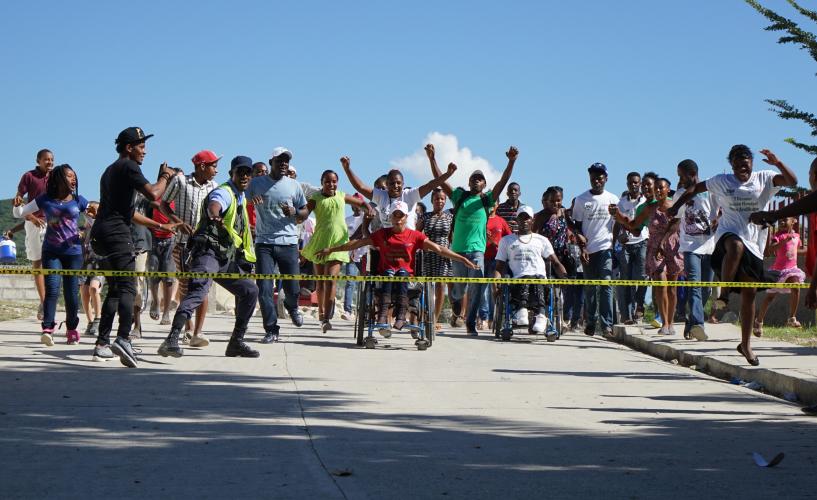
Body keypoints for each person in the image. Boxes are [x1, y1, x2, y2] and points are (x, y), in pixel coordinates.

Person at [672, 145, 797, 366]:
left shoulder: (764, 178)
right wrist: (676, 207)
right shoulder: (722, 181)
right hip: (726, 239)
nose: (742, 166)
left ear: (751, 163)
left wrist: (777, 162)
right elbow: (694, 189)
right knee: (735, 245)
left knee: (749, 296)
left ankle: (745, 345)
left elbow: (792, 182)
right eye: (737, 163)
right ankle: (724, 294)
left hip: (755, 245)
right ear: (731, 165)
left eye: (745, 161)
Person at [317, 200, 478, 334]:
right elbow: (358, 242)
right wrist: (331, 250)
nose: (398, 219)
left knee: (401, 272)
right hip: (386, 275)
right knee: (389, 272)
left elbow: (439, 249)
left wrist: (462, 259)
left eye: (401, 215)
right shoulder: (382, 234)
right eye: (395, 215)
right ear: (391, 217)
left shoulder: (415, 236)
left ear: (406, 217)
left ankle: (401, 314)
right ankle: (382, 314)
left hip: (405, 277)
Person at [158, 156, 260, 359]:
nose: (245, 176)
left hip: (224, 258)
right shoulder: (225, 191)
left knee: (250, 290)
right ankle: (172, 339)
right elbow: (215, 203)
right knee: (197, 292)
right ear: (232, 174)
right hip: (208, 253)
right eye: (241, 172)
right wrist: (215, 215)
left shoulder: (241, 197)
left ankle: (236, 343)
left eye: (248, 173)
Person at [90, 126, 175, 367]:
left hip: (103, 233)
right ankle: (124, 338)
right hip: (117, 235)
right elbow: (153, 195)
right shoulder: (129, 166)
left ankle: (102, 344)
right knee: (128, 287)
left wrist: (160, 226)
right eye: (141, 146)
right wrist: (166, 177)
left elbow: (129, 213)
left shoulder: (110, 170)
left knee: (116, 288)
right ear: (129, 148)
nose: (145, 151)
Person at [428, 144, 519, 335]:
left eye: (480, 179)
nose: (477, 181)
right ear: (469, 183)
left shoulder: (487, 200)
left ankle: (470, 322)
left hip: (477, 251)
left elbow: (503, 181)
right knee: (459, 290)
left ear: (484, 185)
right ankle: (455, 305)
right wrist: (432, 158)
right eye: (473, 179)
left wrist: (511, 161)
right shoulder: (459, 196)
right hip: (457, 251)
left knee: (477, 289)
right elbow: (441, 181)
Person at [13, 164, 88, 345]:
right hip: (51, 251)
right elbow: (20, 213)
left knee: (71, 293)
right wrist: (17, 205)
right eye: (70, 176)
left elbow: (95, 220)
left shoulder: (79, 200)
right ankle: (48, 328)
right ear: (59, 178)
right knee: (52, 289)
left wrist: (85, 230)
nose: (73, 179)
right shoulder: (45, 199)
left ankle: (71, 328)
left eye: (74, 176)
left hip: (73, 252)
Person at [301, 168, 373, 332]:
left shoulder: (341, 196)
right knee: (320, 282)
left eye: (334, 181)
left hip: (338, 243)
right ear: (322, 183)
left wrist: (369, 208)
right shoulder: (316, 198)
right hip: (319, 242)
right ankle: (321, 312)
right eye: (327, 181)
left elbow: (361, 203)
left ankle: (327, 317)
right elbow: (306, 211)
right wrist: (298, 214)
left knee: (330, 279)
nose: (331, 184)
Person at [247, 147, 307, 343]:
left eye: (286, 161)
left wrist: (295, 212)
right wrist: (250, 200)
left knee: (293, 287)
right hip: (264, 242)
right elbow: (241, 197)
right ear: (270, 162)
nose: (283, 164)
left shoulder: (294, 185)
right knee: (264, 288)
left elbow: (305, 211)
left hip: (289, 242)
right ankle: (271, 329)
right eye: (279, 161)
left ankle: (293, 306)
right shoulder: (256, 183)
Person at [161, 150, 220, 345]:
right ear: (202, 166)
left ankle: (198, 332)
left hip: (205, 245)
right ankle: (188, 328)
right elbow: (163, 204)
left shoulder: (215, 187)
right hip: (182, 243)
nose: (216, 170)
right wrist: (177, 222)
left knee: (202, 286)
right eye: (213, 165)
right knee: (186, 286)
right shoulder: (180, 182)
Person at [614, 178, 683, 336]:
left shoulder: (675, 205)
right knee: (660, 282)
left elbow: (677, 224)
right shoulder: (648, 208)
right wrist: (618, 216)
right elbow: (634, 225)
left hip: (672, 248)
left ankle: (670, 323)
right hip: (654, 248)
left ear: (668, 189)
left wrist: (664, 243)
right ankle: (664, 323)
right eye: (656, 188)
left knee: (672, 288)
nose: (658, 191)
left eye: (661, 188)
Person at [495, 206, 568, 339]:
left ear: (532, 220)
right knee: (527, 277)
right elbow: (499, 266)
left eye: (527, 218)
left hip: (540, 280)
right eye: (521, 217)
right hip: (517, 282)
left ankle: (541, 316)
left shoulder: (541, 240)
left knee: (537, 278)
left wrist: (565, 276)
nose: (524, 220)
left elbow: (556, 262)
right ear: (516, 220)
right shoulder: (506, 241)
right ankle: (522, 311)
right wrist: (496, 283)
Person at [340, 152, 456, 231]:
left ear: (403, 184)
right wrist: (347, 169)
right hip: (388, 243)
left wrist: (448, 174)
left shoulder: (410, 195)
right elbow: (360, 187)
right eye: (392, 183)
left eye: (398, 183)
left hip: (406, 243)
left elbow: (431, 185)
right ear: (387, 185)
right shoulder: (381, 196)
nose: (395, 186)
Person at [572, 163, 619, 337]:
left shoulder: (613, 199)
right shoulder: (581, 199)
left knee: (606, 285)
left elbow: (618, 224)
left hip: (606, 247)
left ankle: (607, 325)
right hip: (587, 250)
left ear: (606, 178)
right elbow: (576, 226)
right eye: (593, 177)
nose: (596, 180)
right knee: (590, 288)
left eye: (600, 177)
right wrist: (582, 245)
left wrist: (615, 242)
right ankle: (590, 322)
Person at [675, 159, 718, 341]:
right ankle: (699, 325)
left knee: (706, 289)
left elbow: (721, 210)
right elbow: (676, 218)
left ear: (692, 174)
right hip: (690, 246)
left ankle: (691, 321)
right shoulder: (679, 194)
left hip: (709, 246)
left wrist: (718, 221)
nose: (680, 179)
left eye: (681, 176)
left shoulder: (710, 190)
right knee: (694, 285)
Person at [14, 149, 53, 320]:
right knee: (37, 262)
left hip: (53, 223)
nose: (49, 162)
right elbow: (18, 201)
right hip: (33, 223)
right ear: (38, 161)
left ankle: (48, 301)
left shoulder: (56, 176)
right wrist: (30, 217)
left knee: (51, 263)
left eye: (52, 159)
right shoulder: (28, 176)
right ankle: (43, 302)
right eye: (46, 159)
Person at [533, 186, 579, 328]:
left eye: (558, 200)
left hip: (563, 255)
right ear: (547, 201)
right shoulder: (541, 216)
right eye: (552, 201)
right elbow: (533, 234)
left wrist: (579, 235)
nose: (555, 204)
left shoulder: (564, 213)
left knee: (564, 288)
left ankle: (561, 318)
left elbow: (572, 227)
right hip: (546, 256)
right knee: (547, 288)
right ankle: (543, 316)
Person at [754, 217, 805, 333]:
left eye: (785, 220)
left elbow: (796, 250)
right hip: (778, 271)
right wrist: (783, 242)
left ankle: (792, 318)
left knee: (796, 287)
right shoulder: (777, 236)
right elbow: (771, 249)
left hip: (792, 270)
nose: (781, 222)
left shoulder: (797, 236)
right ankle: (758, 321)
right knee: (769, 298)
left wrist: (809, 250)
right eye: (780, 220)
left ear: (793, 221)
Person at [417, 187, 454, 331]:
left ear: (445, 201)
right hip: (428, 255)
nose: (439, 201)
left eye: (442, 199)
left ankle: (434, 319)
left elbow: (452, 236)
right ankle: (424, 315)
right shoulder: (425, 217)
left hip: (444, 255)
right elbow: (416, 234)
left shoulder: (450, 217)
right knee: (426, 288)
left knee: (440, 287)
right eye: (437, 198)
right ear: (432, 200)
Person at [614, 172, 648, 325]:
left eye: (636, 182)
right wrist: (617, 240)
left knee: (642, 277)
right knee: (626, 280)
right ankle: (627, 315)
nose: (633, 185)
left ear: (640, 183)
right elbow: (618, 223)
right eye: (630, 183)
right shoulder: (621, 202)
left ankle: (640, 307)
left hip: (642, 242)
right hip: (626, 245)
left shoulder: (646, 200)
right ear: (627, 184)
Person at [480, 201, 512, 329]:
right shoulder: (480, 219)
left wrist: (496, 243)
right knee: (482, 289)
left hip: (497, 259)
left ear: (498, 205)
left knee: (495, 289)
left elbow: (509, 238)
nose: (491, 205)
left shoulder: (501, 221)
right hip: (481, 257)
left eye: (494, 202)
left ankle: (494, 318)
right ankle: (483, 317)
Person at [148, 194, 178, 326]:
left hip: (171, 239)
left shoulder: (178, 196)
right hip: (154, 238)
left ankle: (166, 312)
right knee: (153, 275)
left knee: (169, 278)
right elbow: (150, 206)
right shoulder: (155, 193)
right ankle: (155, 301)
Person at [341, 193, 368, 321]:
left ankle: (366, 309)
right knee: (350, 282)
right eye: (354, 203)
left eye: (358, 203)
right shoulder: (347, 220)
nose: (356, 206)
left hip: (364, 254)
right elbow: (345, 238)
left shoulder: (366, 218)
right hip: (350, 255)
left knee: (366, 283)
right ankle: (347, 310)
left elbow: (364, 234)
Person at [80, 201, 104, 337]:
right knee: (84, 291)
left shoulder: (101, 224)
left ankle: (98, 319)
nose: (90, 213)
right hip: (85, 262)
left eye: (93, 210)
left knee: (94, 288)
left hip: (100, 262)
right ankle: (90, 322)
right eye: (89, 210)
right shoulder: (84, 228)